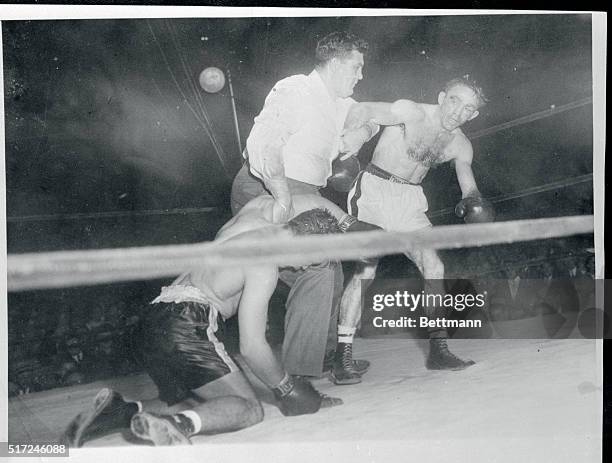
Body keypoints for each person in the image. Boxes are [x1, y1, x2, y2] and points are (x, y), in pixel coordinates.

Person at [61, 194, 377, 447]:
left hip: (153, 319)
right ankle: (176, 427)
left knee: (186, 399)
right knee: (248, 409)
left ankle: (118, 412)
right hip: (188, 322)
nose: (305, 268)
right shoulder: (265, 260)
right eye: (312, 259)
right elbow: (253, 346)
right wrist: (286, 388)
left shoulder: (248, 228)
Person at [230, 31, 378, 378]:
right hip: (267, 187)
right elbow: (263, 147)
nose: (361, 76)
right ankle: (298, 377)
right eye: (356, 67)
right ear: (335, 63)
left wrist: (360, 134)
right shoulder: (296, 89)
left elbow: (373, 115)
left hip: (304, 192)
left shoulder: (337, 104)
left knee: (332, 271)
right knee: (319, 268)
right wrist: (283, 198)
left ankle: (325, 358)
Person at [331, 75, 495, 384]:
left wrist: (473, 203)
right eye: (454, 101)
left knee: (434, 264)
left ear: (473, 115)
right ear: (441, 96)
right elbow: (363, 108)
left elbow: (468, 184)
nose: (457, 112)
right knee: (366, 271)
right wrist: (352, 137)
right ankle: (343, 356)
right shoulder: (411, 112)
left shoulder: (461, 144)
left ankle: (439, 349)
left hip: (410, 201)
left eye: (467, 108)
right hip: (375, 189)